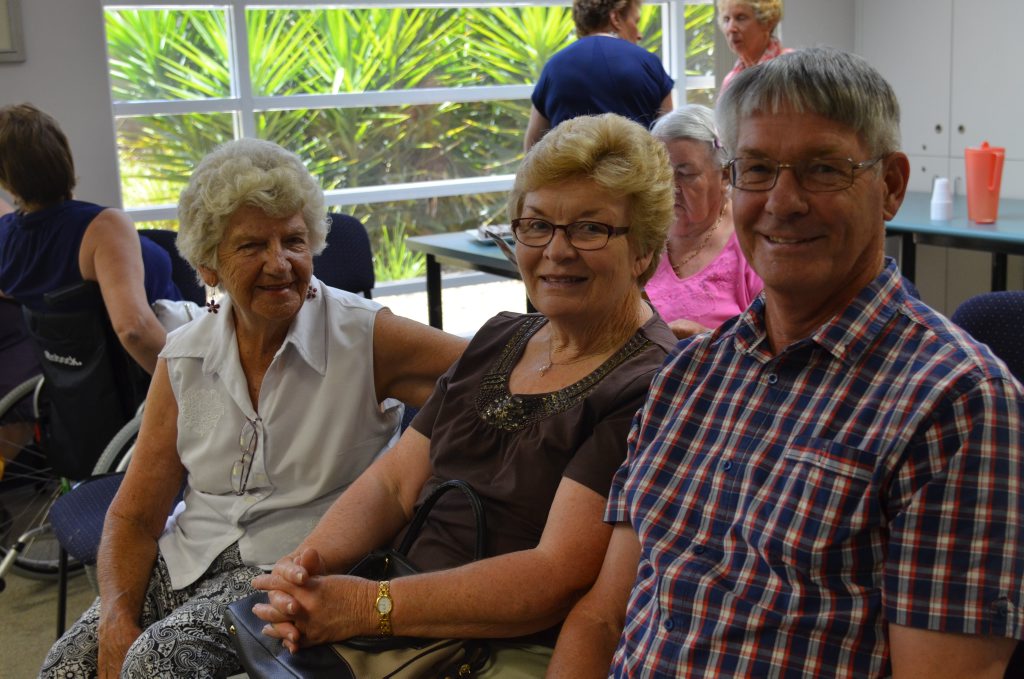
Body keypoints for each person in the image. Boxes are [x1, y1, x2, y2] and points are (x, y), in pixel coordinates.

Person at [548, 47, 1024, 678]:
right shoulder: (689, 377)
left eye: (823, 169)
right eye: (757, 169)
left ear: (890, 186)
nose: (783, 200)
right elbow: (603, 618)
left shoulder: (956, 401)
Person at [249, 113, 678, 676]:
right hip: (395, 615)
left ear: (644, 249)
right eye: (536, 225)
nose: (557, 250)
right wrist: (305, 567)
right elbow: (393, 484)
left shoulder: (651, 383)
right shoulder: (502, 336)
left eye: (589, 228)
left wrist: (367, 607)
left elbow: (554, 576)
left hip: (497, 649)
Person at [39, 138, 467, 679]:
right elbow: (134, 515)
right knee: (68, 665)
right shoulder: (185, 356)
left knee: (155, 663)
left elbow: (493, 372)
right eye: (251, 246)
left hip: (300, 567)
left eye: (294, 241)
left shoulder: (365, 336)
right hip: (190, 554)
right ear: (208, 265)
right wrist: (116, 617)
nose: (279, 263)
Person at [0, 103, 181, 463]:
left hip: (78, 380)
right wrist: (190, 384)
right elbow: (133, 329)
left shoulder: (6, 238)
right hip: (156, 352)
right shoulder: (103, 227)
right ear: (63, 155)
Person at [644, 104, 761, 338]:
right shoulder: (642, 234)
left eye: (684, 174)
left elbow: (777, 343)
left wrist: (706, 339)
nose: (669, 186)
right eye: (660, 173)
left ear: (725, 176)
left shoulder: (751, 243)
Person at [524, 0, 673, 151]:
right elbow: (669, 138)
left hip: (572, 165)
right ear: (615, 18)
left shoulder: (554, 67)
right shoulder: (648, 63)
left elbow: (532, 147)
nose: (639, 35)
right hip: (638, 165)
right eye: (635, 21)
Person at [717, 0, 788, 93]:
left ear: (768, 22)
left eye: (741, 18)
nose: (731, 28)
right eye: (726, 19)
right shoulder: (730, 81)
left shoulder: (791, 69)